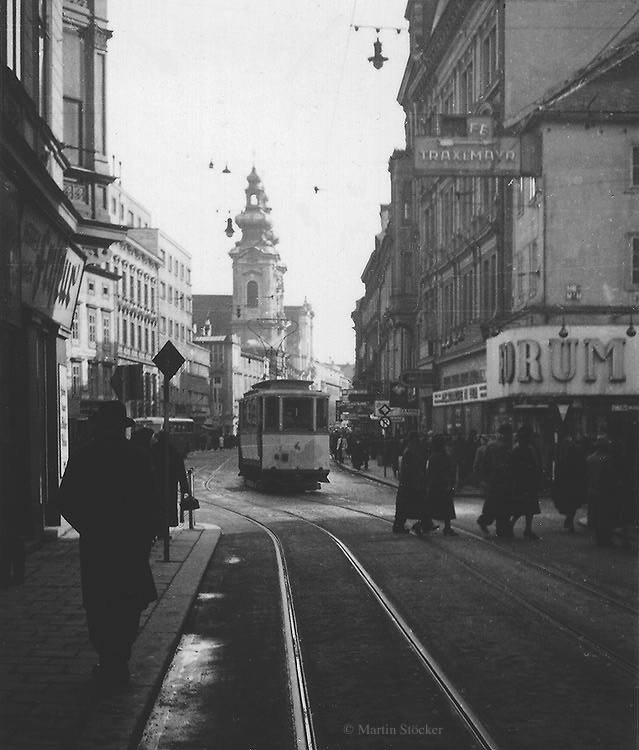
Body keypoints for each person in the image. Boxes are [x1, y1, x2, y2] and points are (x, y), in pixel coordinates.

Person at [56, 401, 160, 692]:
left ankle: (107, 660)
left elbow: (64, 501)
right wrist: (145, 535)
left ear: (99, 428)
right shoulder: (137, 457)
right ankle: (119, 660)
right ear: (122, 428)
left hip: (98, 546)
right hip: (130, 546)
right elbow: (152, 503)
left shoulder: (84, 457)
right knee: (128, 603)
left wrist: (88, 528)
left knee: (99, 605)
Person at [393, 431, 437, 535]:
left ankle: (424, 523)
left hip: (409, 483)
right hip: (410, 483)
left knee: (411, 506)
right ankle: (422, 523)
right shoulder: (410, 452)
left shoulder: (411, 451)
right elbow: (411, 469)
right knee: (413, 505)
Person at [477, 423, 514, 537]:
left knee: (495, 502)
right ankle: (501, 527)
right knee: (501, 504)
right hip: (502, 478)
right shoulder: (506, 447)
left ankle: (487, 520)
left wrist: (485, 477)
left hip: (494, 479)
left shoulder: (491, 445)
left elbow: (485, 464)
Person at [151, 431, 190, 528]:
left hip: (156, 484)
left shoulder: (153, 450)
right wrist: (185, 487)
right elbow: (181, 471)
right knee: (169, 507)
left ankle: (160, 530)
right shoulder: (173, 451)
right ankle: (165, 530)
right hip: (171, 485)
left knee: (158, 507)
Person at [509, 424, 543, 540]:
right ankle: (515, 527)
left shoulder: (523, 448)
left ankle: (525, 529)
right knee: (524, 507)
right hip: (524, 481)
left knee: (526, 508)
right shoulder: (521, 449)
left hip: (524, 481)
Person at [586, 436, 620, 547]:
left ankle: (598, 537)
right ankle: (605, 538)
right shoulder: (608, 459)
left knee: (595, 514)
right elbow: (610, 476)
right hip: (605, 491)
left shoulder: (590, 459)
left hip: (592, 490)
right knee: (605, 515)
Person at [552, 436, 588, 532]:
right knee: (573, 504)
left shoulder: (563, 458)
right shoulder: (573, 458)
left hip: (567, 484)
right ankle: (569, 520)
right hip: (572, 483)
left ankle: (569, 520)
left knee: (570, 504)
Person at [425, 434, 457, 536]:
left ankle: (425, 523)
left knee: (431, 505)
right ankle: (447, 527)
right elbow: (450, 470)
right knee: (446, 506)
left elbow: (429, 471)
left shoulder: (433, 456)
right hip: (444, 484)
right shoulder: (445, 455)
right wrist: (451, 483)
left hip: (435, 484)